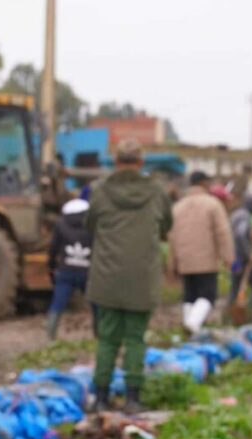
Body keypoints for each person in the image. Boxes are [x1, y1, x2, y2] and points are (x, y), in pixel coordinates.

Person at [86, 139, 172, 413]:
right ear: (141, 162)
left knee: (107, 338)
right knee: (136, 338)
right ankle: (133, 399)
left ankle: (101, 398)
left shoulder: (99, 190)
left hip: (107, 276)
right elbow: (166, 226)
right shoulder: (156, 191)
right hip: (142, 277)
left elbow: (89, 225)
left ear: (115, 161)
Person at [168, 170, 235, 333]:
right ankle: (192, 324)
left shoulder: (177, 207)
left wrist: (173, 262)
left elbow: (171, 236)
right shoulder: (213, 204)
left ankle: (189, 327)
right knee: (207, 295)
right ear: (204, 183)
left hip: (184, 259)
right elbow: (222, 232)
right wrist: (228, 256)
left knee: (189, 295)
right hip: (206, 259)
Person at [45, 197, 95, 340]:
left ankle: (50, 335)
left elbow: (53, 248)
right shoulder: (92, 225)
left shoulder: (61, 225)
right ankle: (99, 335)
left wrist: (51, 266)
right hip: (87, 272)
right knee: (96, 304)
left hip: (66, 271)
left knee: (57, 303)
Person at [229, 193, 252, 321]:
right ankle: (246, 314)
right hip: (241, 259)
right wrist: (248, 254)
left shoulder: (236, 214)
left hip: (234, 258)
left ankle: (230, 316)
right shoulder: (244, 216)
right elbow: (240, 235)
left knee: (234, 287)